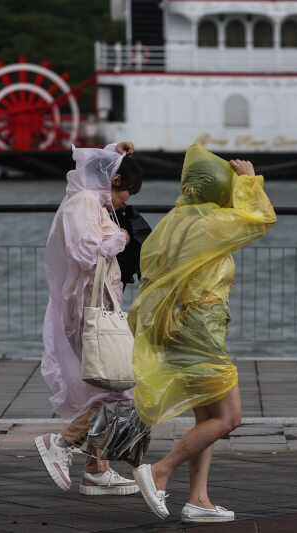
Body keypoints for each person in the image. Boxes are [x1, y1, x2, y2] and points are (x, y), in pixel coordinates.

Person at [128, 143, 276, 522]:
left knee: (206, 417)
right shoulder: (210, 224)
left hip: (177, 328)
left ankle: (199, 499)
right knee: (229, 417)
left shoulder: (176, 221)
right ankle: (160, 471)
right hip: (200, 333)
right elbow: (261, 218)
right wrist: (249, 181)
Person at [35, 141, 144, 496]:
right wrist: (122, 236)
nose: (127, 200)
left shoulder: (89, 198)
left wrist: (117, 150)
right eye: (127, 190)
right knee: (117, 390)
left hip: (95, 306)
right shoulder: (83, 202)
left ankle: (97, 467)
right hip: (88, 309)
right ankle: (62, 443)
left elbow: (96, 164)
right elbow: (86, 252)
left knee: (105, 386)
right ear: (114, 181)